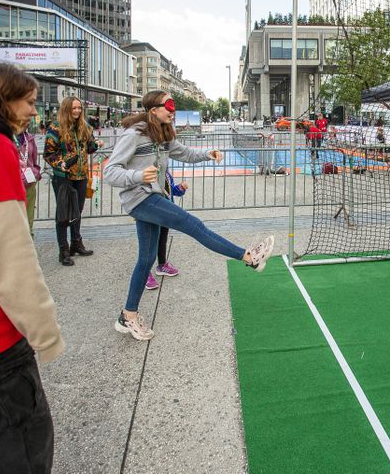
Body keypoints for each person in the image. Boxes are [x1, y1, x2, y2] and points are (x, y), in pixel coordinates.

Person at [103, 90, 274, 341]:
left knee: (146, 258)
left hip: (153, 196)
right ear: (153, 110)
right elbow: (110, 172)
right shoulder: (133, 135)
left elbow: (184, 153)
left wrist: (209, 153)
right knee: (192, 224)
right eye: (168, 106)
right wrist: (138, 176)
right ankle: (250, 257)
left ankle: (127, 316)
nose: (172, 111)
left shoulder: (162, 133)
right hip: (140, 198)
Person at [0, 62, 65, 473]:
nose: (34, 111)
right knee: (26, 452)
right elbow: (9, 258)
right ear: (3, 99)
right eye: (30, 102)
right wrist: (46, 335)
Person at [43, 97, 105, 266]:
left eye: (79, 108)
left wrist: (97, 144)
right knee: (63, 213)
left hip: (81, 176)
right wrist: (59, 163)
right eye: (73, 108)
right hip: (63, 177)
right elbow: (48, 153)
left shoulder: (85, 127)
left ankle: (76, 243)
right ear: (66, 110)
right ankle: (63, 249)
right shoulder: (55, 129)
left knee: (77, 211)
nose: (77, 111)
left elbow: (90, 148)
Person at [145, 170, 188, 290]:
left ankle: (162, 264)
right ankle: (144, 273)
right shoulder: (148, 171)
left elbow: (171, 192)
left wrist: (180, 188)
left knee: (162, 239)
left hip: (165, 213)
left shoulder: (166, 173)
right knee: (148, 244)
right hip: (150, 213)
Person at [17, 128, 42, 235]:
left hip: (29, 183)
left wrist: (35, 172)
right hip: (13, 184)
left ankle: (29, 247)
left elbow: (34, 159)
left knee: (29, 218)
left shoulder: (29, 138)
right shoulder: (5, 135)